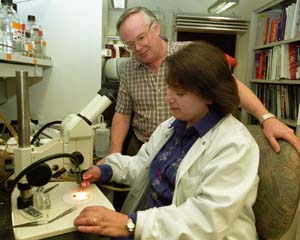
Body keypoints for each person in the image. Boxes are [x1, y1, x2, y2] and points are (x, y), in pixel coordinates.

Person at [74, 41, 260, 239]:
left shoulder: (235, 145)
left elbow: (205, 220)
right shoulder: (172, 126)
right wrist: (105, 170)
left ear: (209, 95)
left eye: (179, 93)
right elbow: (141, 165)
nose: (168, 98)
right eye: (169, 88)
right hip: (153, 228)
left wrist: (131, 224)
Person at [107, 6, 300, 157]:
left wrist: (266, 117)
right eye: (130, 44)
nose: (138, 48)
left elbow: (230, 86)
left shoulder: (189, 54)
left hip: (192, 146)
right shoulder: (129, 68)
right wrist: (114, 153)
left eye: (141, 38)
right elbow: (122, 113)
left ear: (155, 29)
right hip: (146, 147)